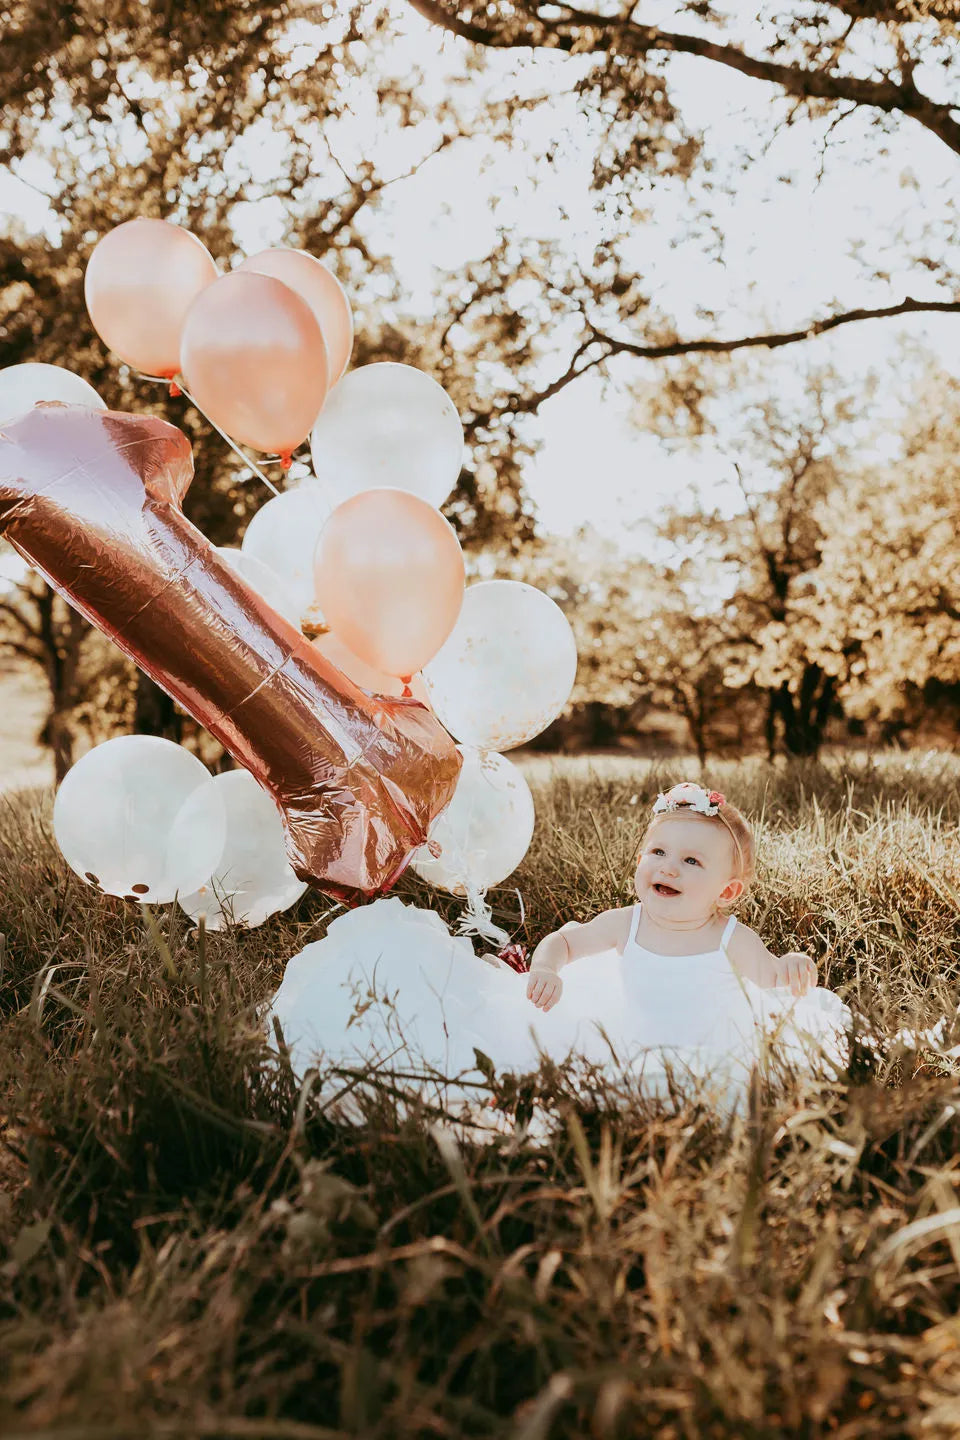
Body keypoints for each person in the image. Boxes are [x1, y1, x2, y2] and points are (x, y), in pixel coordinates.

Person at [524, 780, 847, 1094]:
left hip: (716, 1057)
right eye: (659, 852)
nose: (669, 869)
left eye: (691, 860)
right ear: (640, 861)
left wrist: (794, 964)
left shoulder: (731, 939)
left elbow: (774, 977)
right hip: (637, 1044)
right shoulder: (625, 924)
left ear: (726, 891)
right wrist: (546, 969)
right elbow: (564, 942)